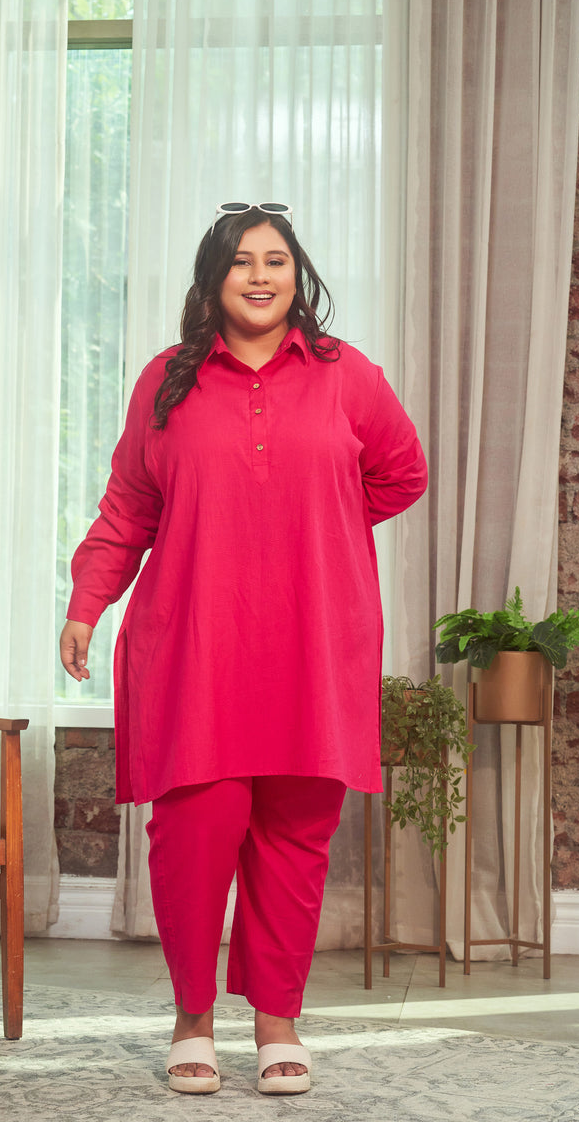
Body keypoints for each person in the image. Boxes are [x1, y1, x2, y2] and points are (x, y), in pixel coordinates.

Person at [59, 202, 428, 1096]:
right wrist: (87, 604)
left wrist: (316, 526)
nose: (260, 276)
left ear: (298, 276)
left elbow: (403, 472)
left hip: (314, 641)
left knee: (296, 841)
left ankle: (277, 1021)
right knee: (193, 837)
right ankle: (192, 1018)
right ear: (213, 279)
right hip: (195, 642)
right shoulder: (166, 382)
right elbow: (128, 508)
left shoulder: (347, 375)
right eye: (240, 262)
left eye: (276, 261)